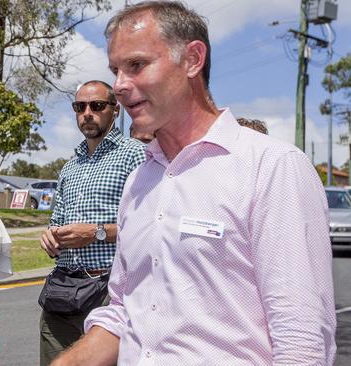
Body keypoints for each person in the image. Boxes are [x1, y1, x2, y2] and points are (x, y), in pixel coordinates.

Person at [53, 2, 336, 365]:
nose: (120, 85)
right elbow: (126, 311)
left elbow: (301, 344)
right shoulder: (140, 181)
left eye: (136, 65)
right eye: (115, 70)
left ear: (192, 59)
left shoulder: (272, 168)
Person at [39, 80, 146, 365]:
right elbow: (57, 220)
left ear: (115, 111)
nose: (87, 112)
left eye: (97, 106)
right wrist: (50, 237)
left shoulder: (134, 154)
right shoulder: (69, 166)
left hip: (108, 292)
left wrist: (97, 233)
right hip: (62, 289)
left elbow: (150, 227)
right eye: (80, 106)